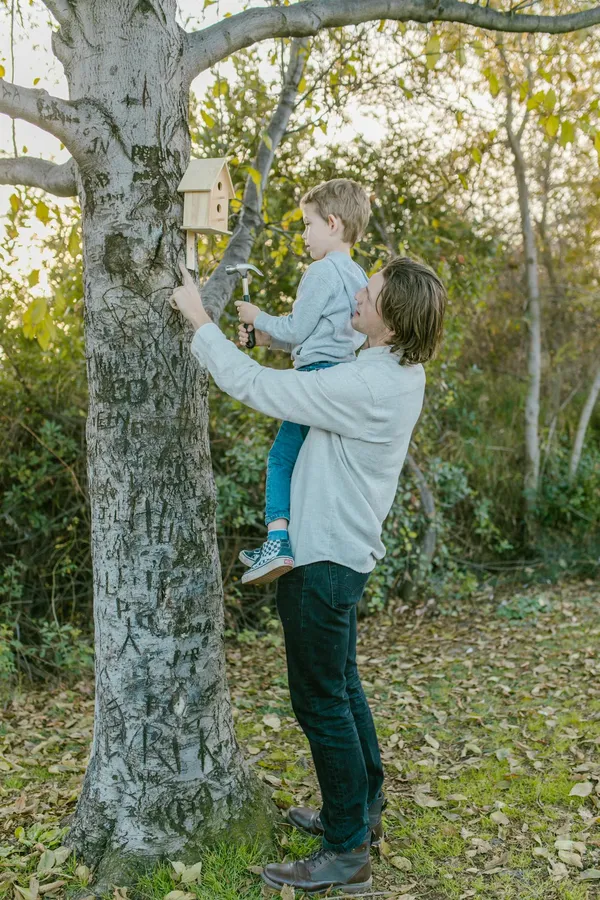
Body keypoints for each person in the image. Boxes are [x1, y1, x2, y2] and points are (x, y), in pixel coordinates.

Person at [169, 253, 447, 895]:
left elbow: (262, 389)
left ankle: (346, 850)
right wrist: (273, 331)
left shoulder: (369, 384)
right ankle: (361, 809)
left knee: (319, 701)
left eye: (368, 296)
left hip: (322, 558)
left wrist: (199, 322)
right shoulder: (389, 368)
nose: (357, 296)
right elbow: (309, 370)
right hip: (342, 555)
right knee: (342, 687)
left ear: (393, 320)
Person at [234, 178, 371, 587]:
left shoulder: (321, 272)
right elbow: (322, 337)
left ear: (331, 223)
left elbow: (297, 329)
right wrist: (265, 339)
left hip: (313, 380)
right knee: (309, 464)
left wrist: (258, 317)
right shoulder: (358, 275)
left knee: (280, 459)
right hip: (338, 377)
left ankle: (278, 540)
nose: (304, 234)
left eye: (308, 224)